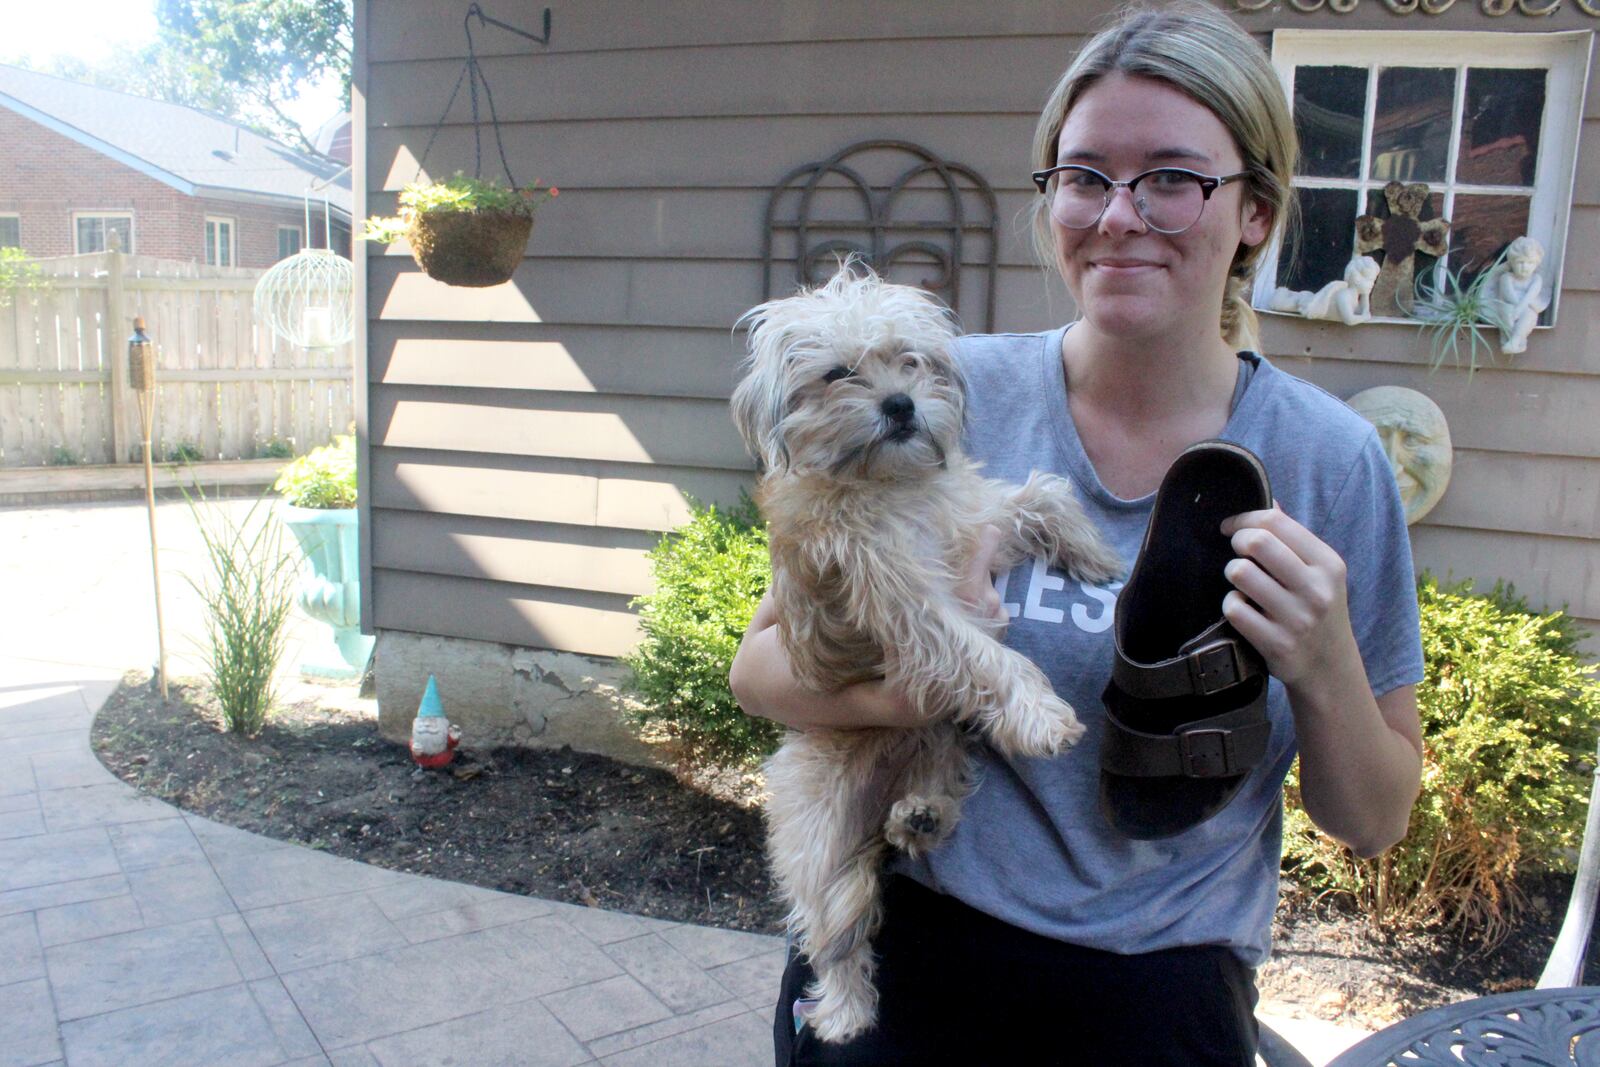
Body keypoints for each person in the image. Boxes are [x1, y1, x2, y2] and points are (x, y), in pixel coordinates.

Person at [729, 3, 1425, 1064]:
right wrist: (915, 687)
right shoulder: (951, 387)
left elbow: (1371, 820)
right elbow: (759, 669)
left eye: (1172, 178)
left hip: (1159, 985)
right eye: (1084, 175)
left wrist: (1325, 662)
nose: (1117, 215)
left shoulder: (1327, 459)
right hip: (912, 946)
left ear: (1253, 212)